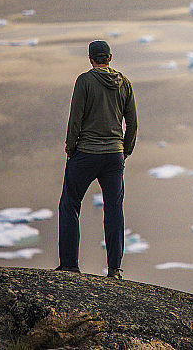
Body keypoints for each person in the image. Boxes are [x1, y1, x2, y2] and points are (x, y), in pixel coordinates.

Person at [57, 40, 137, 279]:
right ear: (110, 57)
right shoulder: (125, 83)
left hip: (86, 154)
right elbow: (132, 123)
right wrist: (125, 149)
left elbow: (76, 119)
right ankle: (115, 270)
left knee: (70, 204)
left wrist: (71, 149)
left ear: (90, 58)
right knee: (114, 209)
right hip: (113, 155)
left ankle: (70, 265)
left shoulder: (85, 81)